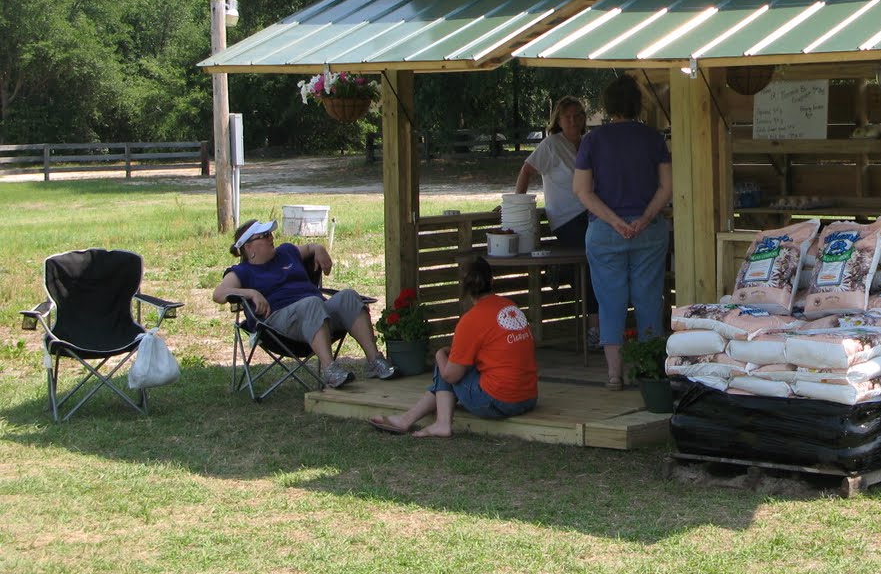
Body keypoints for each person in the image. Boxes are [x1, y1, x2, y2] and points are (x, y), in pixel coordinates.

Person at [572, 75, 673, 390]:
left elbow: (582, 191)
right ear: (637, 104)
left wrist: (614, 221)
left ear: (607, 106)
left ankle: (614, 374)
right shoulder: (653, 138)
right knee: (648, 300)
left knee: (610, 302)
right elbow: (667, 187)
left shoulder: (592, 141)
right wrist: (643, 218)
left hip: (605, 232)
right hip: (649, 231)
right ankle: (649, 368)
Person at [213, 218, 396, 388]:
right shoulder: (242, 271)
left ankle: (374, 360)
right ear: (249, 247)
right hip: (279, 326)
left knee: (348, 296)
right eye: (264, 235)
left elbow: (309, 248)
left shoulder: (285, 252)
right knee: (311, 303)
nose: (271, 237)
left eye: (270, 233)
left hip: (318, 314)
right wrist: (251, 292)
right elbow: (219, 294)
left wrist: (319, 248)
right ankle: (329, 369)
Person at [369, 257, 539, 437]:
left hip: (499, 402)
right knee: (453, 364)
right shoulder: (510, 306)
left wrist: (439, 354)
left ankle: (441, 424)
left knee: (445, 364)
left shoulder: (471, 320)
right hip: (528, 397)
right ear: (492, 280)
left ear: (464, 287)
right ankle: (405, 420)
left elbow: (450, 375)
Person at [515, 95, 599, 342]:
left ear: (584, 119)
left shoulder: (587, 143)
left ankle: (563, 273)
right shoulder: (551, 144)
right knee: (592, 263)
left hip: (592, 213)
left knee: (603, 262)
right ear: (558, 120)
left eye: (577, 116)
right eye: (567, 117)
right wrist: (516, 203)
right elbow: (527, 169)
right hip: (566, 218)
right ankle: (594, 329)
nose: (573, 121)